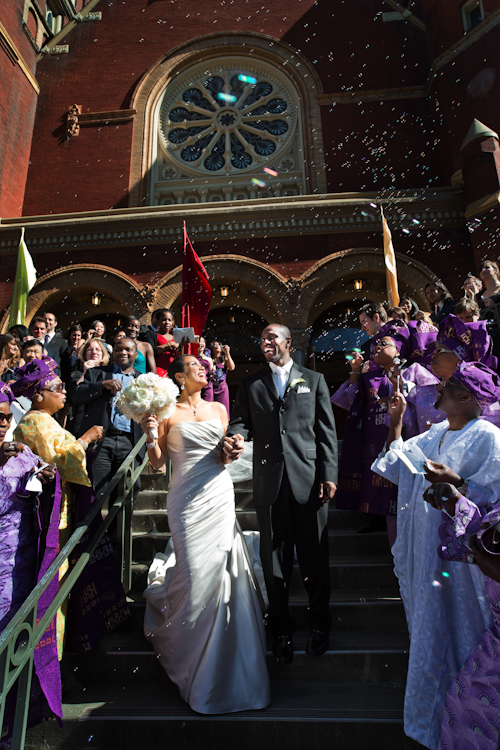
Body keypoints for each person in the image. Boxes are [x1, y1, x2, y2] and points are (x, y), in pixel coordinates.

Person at [371, 361, 500, 750]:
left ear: (465, 396)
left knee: (464, 628)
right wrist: (396, 422)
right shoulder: (436, 432)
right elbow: (394, 464)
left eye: (449, 384)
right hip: (426, 556)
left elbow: (494, 502)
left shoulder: (489, 438)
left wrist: (457, 483)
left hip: (462, 566)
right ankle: (431, 723)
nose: (438, 389)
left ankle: (467, 722)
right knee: (429, 629)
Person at [140, 354, 270, 714]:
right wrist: (151, 434)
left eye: (205, 365)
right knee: (196, 574)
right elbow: (157, 462)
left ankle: (232, 670)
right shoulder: (167, 411)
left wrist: (233, 450)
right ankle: (192, 661)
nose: (204, 368)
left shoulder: (219, 409)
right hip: (185, 500)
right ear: (181, 376)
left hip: (217, 493)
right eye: (196, 365)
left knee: (226, 573)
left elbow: (225, 455)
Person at [227, 324, 338, 663]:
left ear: (288, 342)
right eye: (262, 339)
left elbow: (325, 431)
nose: (266, 343)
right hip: (269, 482)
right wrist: (235, 436)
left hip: (309, 480)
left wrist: (329, 474)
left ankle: (320, 624)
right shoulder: (251, 383)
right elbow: (241, 421)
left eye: (272, 337)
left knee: (314, 556)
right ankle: (282, 630)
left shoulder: (313, 380)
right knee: (275, 558)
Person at [11, 359, 105, 658]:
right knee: (51, 586)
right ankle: (49, 659)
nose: (64, 392)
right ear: (38, 394)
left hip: (59, 510)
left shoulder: (46, 420)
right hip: (48, 515)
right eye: (58, 388)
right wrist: (87, 438)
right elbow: (59, 461)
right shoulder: (34, 421)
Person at [332, 318, 438, 539]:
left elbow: (431, 412)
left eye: (385, 343)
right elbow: (346, 401)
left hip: (410, 451)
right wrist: (355, 371)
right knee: (391, 515)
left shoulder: (416, 372)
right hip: (378, 449)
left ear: (399, 347)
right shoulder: (370, 377)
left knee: (412, 509)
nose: (377, 347)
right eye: (376, 344)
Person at [432, 490, 500, 750]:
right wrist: (454, 497)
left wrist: (483, 559)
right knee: (462, 708)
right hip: (493, 648)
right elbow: (481, 536)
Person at [71, 338, 146, 503]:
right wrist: (101, 385)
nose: (123, 353)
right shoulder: (97, 373)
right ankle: (91, 528)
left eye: (128, 349)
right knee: (94, 493)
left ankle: (117, 530)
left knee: (126, 493)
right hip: (102, 440)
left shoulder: (143, 380)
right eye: (119, 349)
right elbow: (77, 396)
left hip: (129, 441)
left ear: (136, 354)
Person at [211, 340, 235, 417]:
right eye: (215, 344)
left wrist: (227, 352)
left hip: (222, 387)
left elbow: (232, 368)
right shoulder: (209, 359)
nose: (217, 346)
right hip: (211, 386)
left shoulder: (224, 359)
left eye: (219, 345)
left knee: (223, 407)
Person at [155, 309, 181, 377]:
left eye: (169, 320)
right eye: (164, 319)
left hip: (172, 370)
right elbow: (152, 350)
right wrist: (169, 344)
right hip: (158, 370)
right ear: (158, 321)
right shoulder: (153, 335)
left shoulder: (175, 337)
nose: (167, 322)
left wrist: (182, 345)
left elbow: (178, 356)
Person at [197, 336, 213, 401]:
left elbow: (211, 372)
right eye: (199, 341)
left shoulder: (209, 359)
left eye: (203, 342)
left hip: (207, 386)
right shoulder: (191, 357)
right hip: (196, 385)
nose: (201, 343)